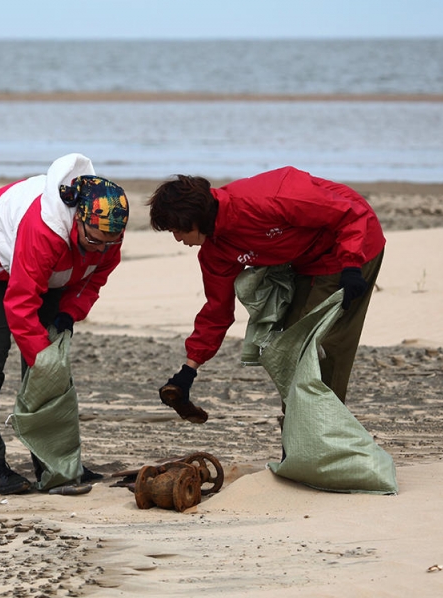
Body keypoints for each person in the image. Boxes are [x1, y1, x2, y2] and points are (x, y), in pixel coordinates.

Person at [0, 153, 129, 495]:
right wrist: (39, 357)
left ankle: (54, 464)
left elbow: (93, 281)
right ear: (77, 219)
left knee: (53, 367)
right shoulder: (44, 230)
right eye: (93, 240)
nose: (101, 250)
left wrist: (70, 313)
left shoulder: (107, 236)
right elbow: (20, 303)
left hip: (49, 276)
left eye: (110, 243)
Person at [147, 166, 385, 421]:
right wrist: (188, 371)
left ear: (195, 218)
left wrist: (351, 266)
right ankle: (300, 439)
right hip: (306, 261)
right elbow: (217, 312)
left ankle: (324, 439)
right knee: (286, 351)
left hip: (352, 246)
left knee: (319, 351)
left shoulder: (268, 200)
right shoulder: (215, 251)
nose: (177, 238)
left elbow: (351, 214)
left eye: (178, 230)